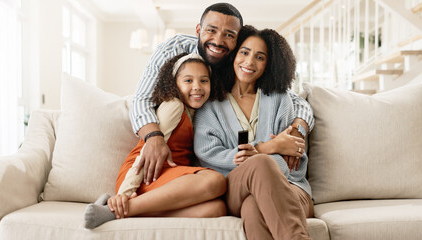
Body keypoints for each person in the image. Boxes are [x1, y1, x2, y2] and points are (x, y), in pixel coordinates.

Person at [129, 3, 314, 187]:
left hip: (207, 167)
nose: (218, 41)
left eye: (229, 35)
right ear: (198, 29)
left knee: (216, 202)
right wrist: (154, 137)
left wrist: (296, 131)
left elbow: (296, 100)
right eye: (211, 30)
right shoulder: (174, 49)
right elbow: (141, 100)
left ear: (237, 40)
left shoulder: (233, 62)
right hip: (173, 147)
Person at [194, 25, 314, 240]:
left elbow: (291, 161)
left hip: (291, 189)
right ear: (233, 54)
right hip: (234, 187)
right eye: (244, 52)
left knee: (253, 207)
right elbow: (207, 154)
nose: (249, 62)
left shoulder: (280, 98)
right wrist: (262, 151)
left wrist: (259, 155)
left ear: (269, 64)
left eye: (260, 57)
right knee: (260, 163)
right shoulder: (210, 102)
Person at [84, 53, 227, 229]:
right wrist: (125, 193)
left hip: (173, 181)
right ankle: (118, 206)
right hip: (146, 173)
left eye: (204, 81)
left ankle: (120, 210)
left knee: (216, 208)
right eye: (188, 81)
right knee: (215, 180)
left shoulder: (200, 112)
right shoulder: (174, 106)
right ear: (175, 84)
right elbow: (148, 152)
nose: (197, 87)